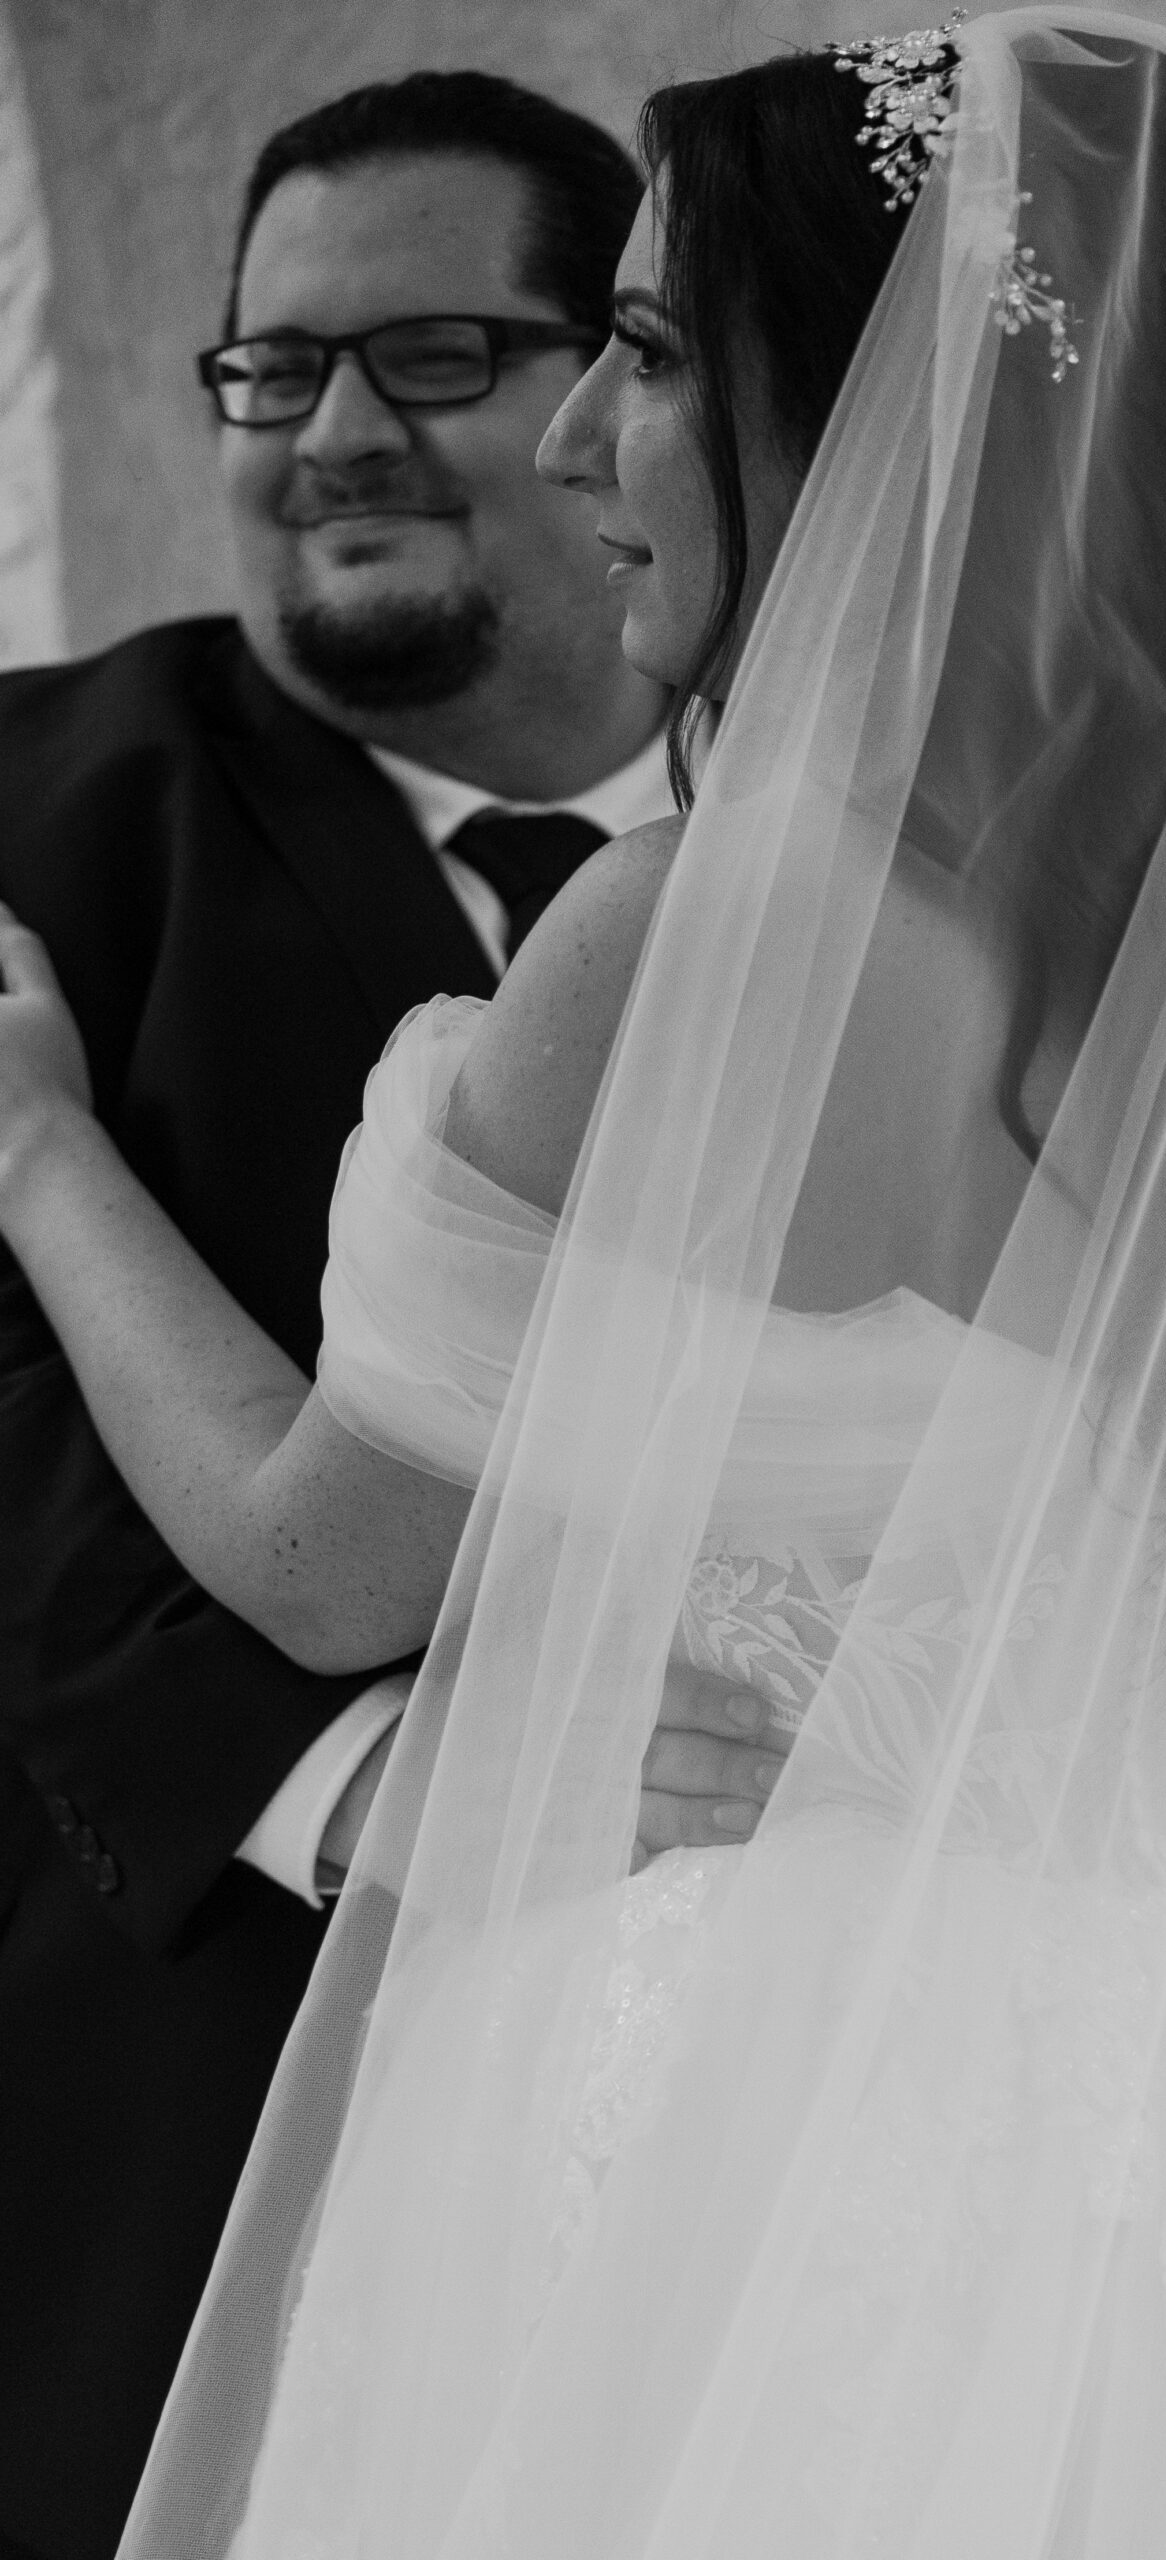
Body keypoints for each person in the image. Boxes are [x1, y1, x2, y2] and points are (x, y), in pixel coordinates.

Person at [4, 13, 1166, 2553]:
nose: (586, 438)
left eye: (656, 355)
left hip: (789, 2098)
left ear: (887, 421)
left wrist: (36, 1148)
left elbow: (312, 1549)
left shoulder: (705, 942)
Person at [0, 69, 781, 2560]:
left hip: (834, 2119)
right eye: (269, 368)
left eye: (430, 353)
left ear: (609, 391)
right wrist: (353, 1795)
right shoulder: (36, 822)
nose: (330, 435)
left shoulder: (907, 870)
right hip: (184, 2087)